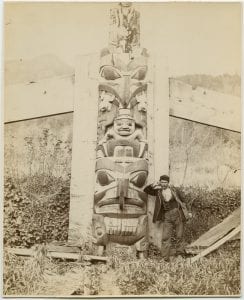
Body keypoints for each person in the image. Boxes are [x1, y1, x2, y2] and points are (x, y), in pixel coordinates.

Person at [144, 175, 192, 261]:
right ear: (160, 182)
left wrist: (189, 211)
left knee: (179, 236)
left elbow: (184, 200)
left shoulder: (175, 190)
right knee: (165, 237)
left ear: (168, 183)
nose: (163, 184)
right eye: (162, 182)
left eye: (165, 182)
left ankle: (179, 255)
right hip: (167, 216)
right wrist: (154, 184)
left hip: (178, 215)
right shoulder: (158, 192)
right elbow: (146, 190)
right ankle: (164, 257)